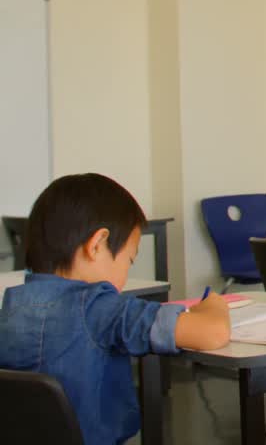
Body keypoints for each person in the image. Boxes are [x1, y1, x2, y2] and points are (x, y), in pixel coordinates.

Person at [0, 174, 231, 445]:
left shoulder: (12, 308)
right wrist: (216, 305)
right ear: (97, 244)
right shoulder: (100, 308)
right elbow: (213, 333)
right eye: (128, 261)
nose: (124, 277)